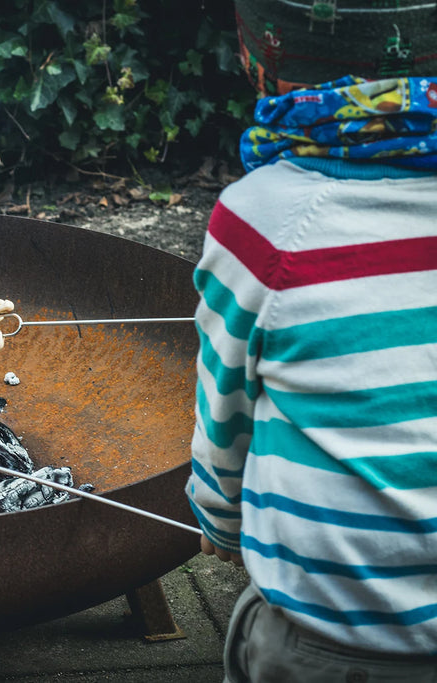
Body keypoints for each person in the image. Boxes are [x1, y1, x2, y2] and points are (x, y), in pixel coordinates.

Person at [186, 1, 437, 680]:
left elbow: (226, 418)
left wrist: (220, 525)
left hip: (337, 641)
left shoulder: (270, 219)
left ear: (263, 59)